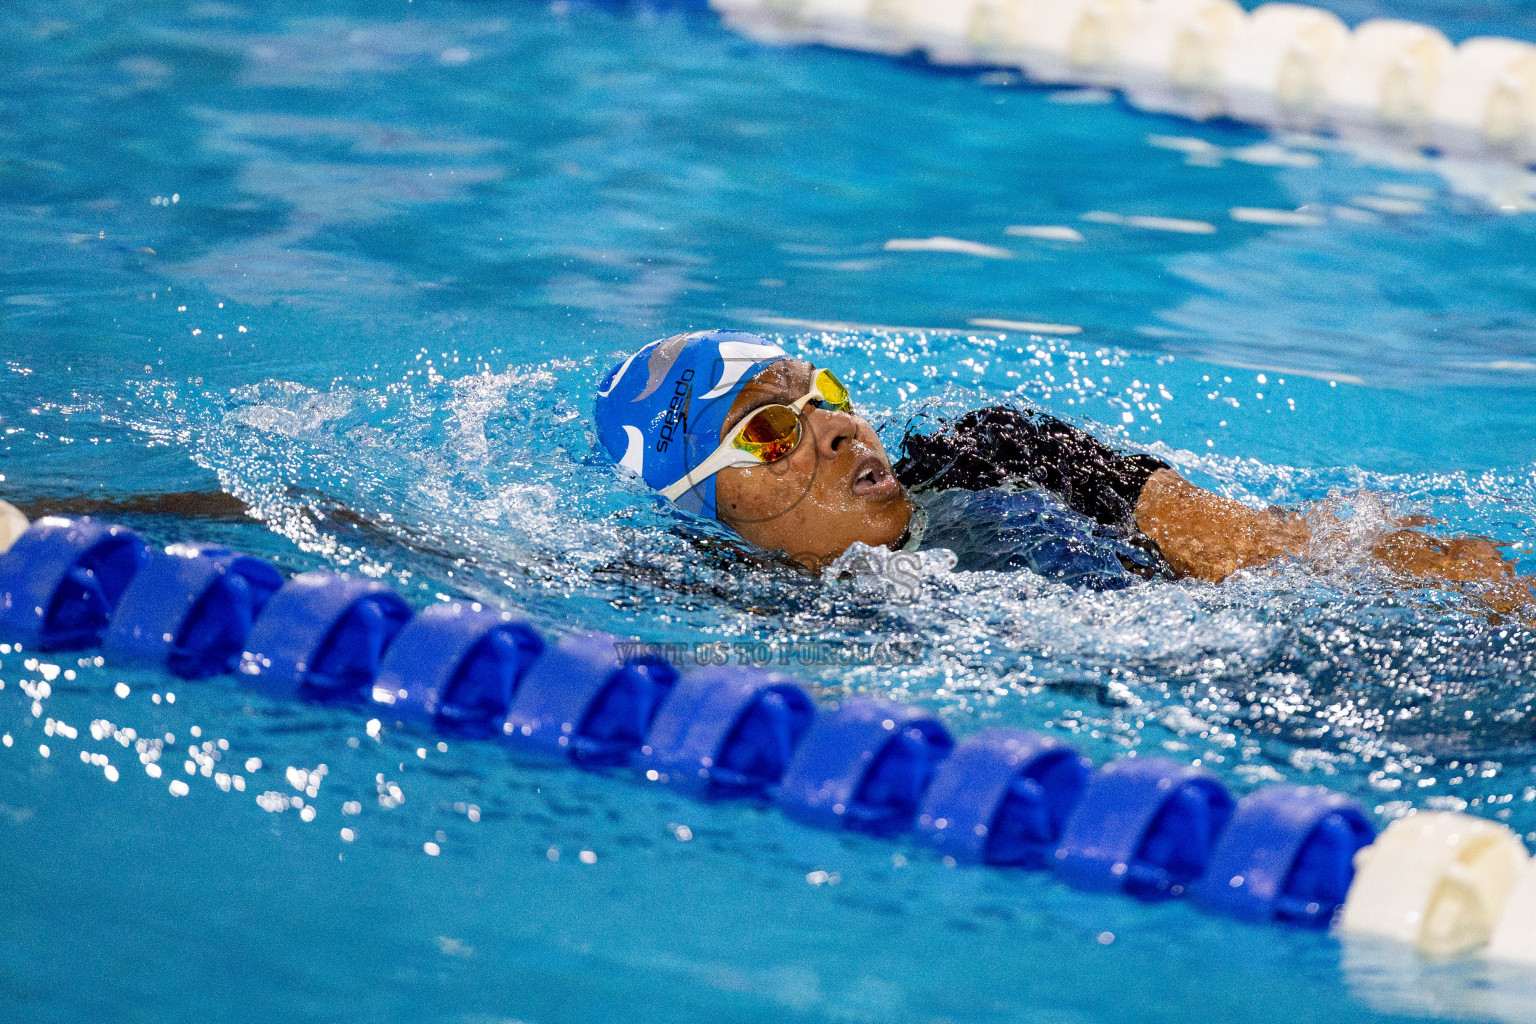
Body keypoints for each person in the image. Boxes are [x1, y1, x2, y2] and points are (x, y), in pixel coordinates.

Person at [594, 330, 1531, 611]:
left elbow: (1269, 549)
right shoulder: (730, 611)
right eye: (768, 431)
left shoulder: (1008, 454)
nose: (835, 431)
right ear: (708, 505)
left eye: (826, 395)